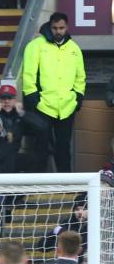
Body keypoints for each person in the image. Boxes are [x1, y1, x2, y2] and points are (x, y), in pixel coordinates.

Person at [21, 12, 85, 174]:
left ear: (67, 27)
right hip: (43, 105)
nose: (58, 31)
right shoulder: (36, 46)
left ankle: (67, 186)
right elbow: (28, 74)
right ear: (50, 27)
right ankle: (38, 186)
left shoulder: (74, 48)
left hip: (66, 106)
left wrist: (78, 97)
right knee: (40, 147)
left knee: (63, 148)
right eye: (55, 28)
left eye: (61, 28)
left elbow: (80, 76)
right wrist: (33, 100)